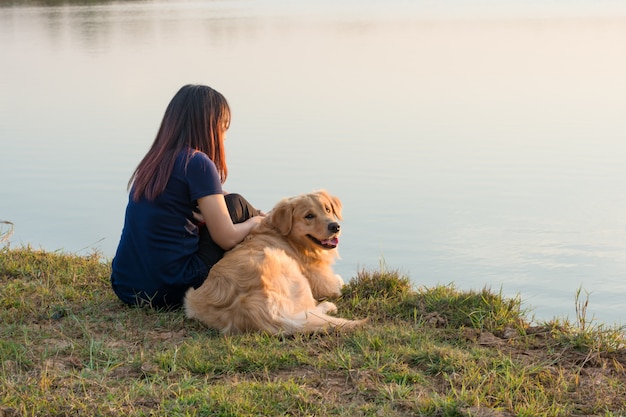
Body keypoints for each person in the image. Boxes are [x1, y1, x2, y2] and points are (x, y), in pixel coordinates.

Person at [110, 84, 264, 309]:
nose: (225, 137)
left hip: (125, 286)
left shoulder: (154, 161)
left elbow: (211, 196)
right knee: (236, 205)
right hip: (169, 289)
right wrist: (256, 221)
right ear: (209, 127)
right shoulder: (198, 163)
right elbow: (227, 238)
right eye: (224, 128)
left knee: (229, 202)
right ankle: (284, 266)